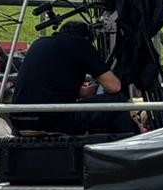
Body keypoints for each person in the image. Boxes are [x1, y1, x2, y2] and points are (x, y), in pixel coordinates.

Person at [10, 21, 138, 136]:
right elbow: (114, 87)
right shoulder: (82, 45)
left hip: (18, 119)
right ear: (87, 38)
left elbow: (48, 84)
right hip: (52, 119)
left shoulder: (39, 43)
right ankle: (127, 147)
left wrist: (83, 92)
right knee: (117, 102)